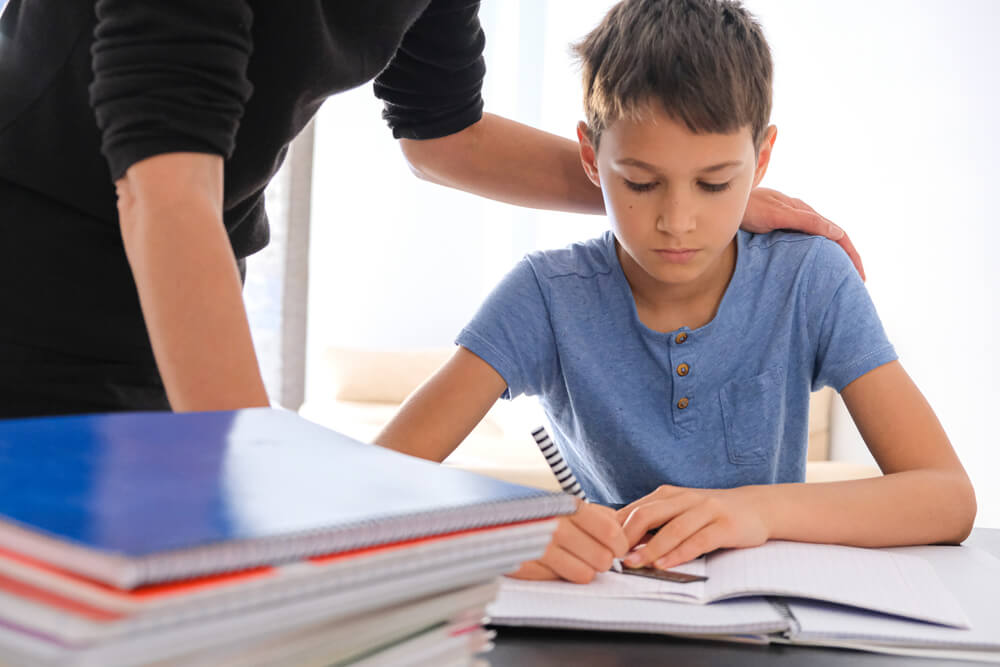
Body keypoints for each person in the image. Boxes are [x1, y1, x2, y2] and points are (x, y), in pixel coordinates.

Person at [0, 0, 857, 420]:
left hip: (162, 296)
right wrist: (253, 468)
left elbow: (443, 131)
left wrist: (658, 185)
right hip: (29, 279)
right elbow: (164, 187)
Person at [374, 0, 976, 584]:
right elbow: (372, 481)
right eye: (640, 181)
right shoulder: (544, 297)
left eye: (715, 184)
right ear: (590, 157)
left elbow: (947, 498)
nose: (677, 221)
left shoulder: (809, 279)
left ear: (762, 158)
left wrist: (758, 511)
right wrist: (502, 528)